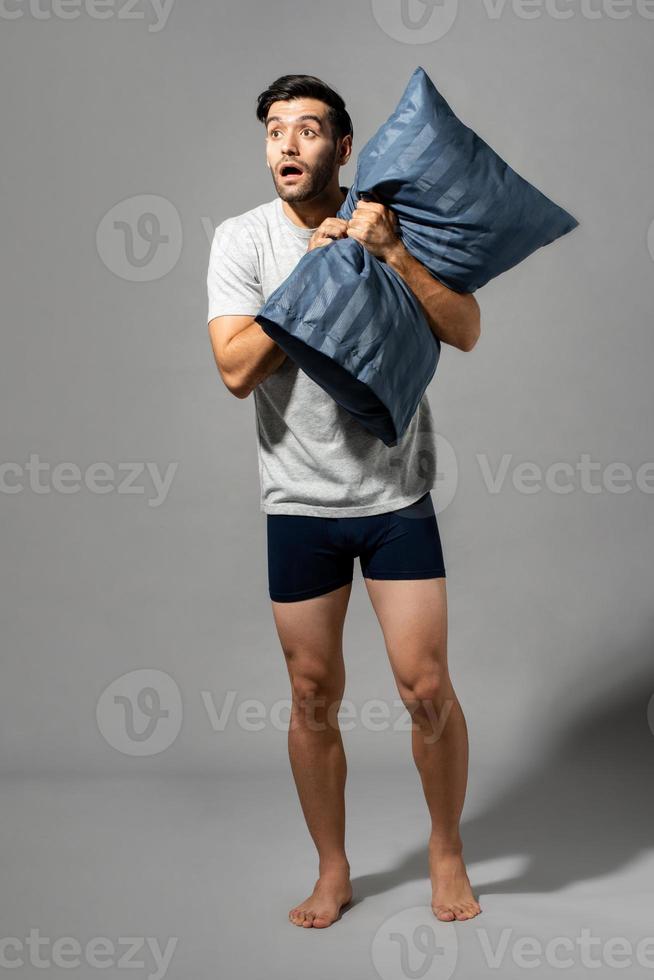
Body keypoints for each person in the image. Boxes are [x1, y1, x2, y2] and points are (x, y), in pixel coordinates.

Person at [206, 73, 482, 928]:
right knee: (312, 692)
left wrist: (391, 254)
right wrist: (318, 278)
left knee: (426, 687)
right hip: (299, 504)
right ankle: (334, 870)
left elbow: (465, 329)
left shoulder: (383, 220)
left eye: (309, 130)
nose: (287, 145)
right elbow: (235, 369)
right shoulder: (241, 240)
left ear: (343, 147)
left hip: (397, 495)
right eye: (274, 131)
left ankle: (445, 851)